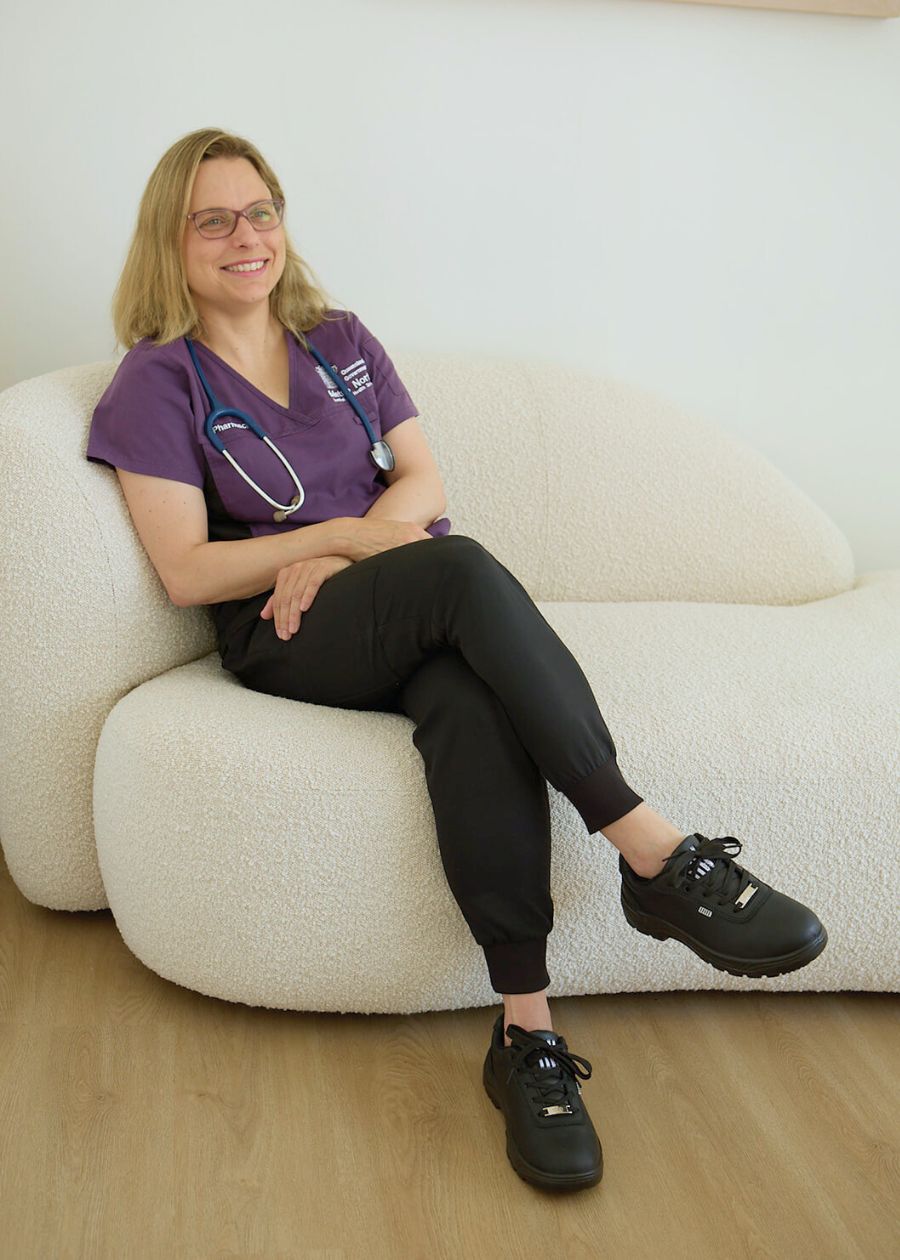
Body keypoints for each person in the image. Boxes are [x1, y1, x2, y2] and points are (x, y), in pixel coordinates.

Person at [85, 128, 828, 1193]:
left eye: (262, 211)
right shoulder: (155, 383)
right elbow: (190, 573)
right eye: (214, 219)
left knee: (471, 705)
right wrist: (333, 548)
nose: (246, 236)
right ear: (172, 239)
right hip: (289, 632)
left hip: (408, 611)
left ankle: (526, 1035)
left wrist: (357, 546)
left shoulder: (337, 338)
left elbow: (424, 478)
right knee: (466, 570)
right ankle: (655, 855)